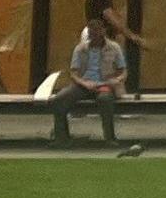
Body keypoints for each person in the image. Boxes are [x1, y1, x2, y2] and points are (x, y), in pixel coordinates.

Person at [55, 10, 133, 151]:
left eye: (97, 32)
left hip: (105, 83)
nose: (94, 36)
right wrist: (84, 83)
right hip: (84, 84)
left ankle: (110, 137)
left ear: (103, 31)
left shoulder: (114, 48)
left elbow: (123, 70)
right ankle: (62, 138)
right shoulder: (80, 49)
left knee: (105, 99)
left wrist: (118, 80)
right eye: (92, 33)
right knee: (59, 98)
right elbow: (73, 73)